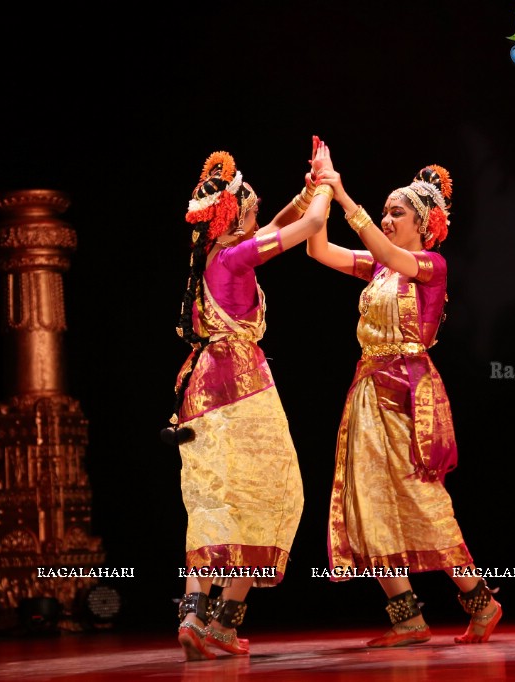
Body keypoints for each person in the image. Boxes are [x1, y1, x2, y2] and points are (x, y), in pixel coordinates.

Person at [307, 145, 502, 647]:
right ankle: (407, 619)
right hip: (369, 390)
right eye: (386, 211)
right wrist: (320, 191)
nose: (388, 219)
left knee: (420, 495)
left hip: (407, 392)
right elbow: (318, 250)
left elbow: (390, 253)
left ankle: (481, 600)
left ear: (423, 223)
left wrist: (344, 192)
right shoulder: (378, 269)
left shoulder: (429, 265)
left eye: (397, 212)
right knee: (370, 500)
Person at [165, 146, 335, 661]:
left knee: (215, 502)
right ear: (235, 217)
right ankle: (223, 622)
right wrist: (328, 185)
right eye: (253, 210)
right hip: (239, 387)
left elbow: (283, 221)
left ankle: (195, 614)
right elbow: (309, 225)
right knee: (271, 495)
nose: (259, 217)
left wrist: (305, 189)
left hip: (199, 391)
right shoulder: (238, 256)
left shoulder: (215, 256)